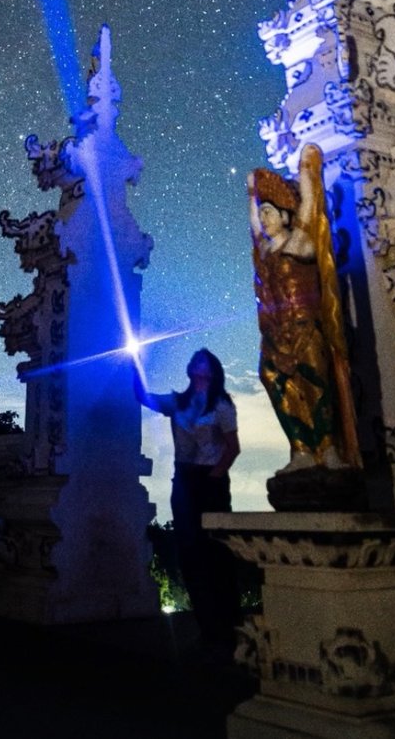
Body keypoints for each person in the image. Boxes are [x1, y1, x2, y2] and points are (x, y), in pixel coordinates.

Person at [248, 144, 361, 469]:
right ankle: (300, 449)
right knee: (276, 383)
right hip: (276, 334)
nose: (264, 217)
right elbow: (253, 226)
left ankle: (327, 447)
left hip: (305, 328)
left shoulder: (300, 241)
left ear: (286, 216)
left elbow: (310, 207)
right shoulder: (265, 251)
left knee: (316, 384)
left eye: (269, 212)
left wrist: (306, 170)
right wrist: (251, 192)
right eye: (262, 212)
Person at [135, 348, 240, 657]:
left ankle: (231, 628)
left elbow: (232, 447)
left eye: (203, 360)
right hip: (184, 480)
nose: (197, 362)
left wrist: (214, 477)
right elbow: (144, 397)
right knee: (189, 553)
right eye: (195, 359)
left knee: (216, 552)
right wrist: (134, 365)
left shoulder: (221, 405)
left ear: (213, 370)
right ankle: (208, 629)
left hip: (210, 481)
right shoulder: (177, 402)